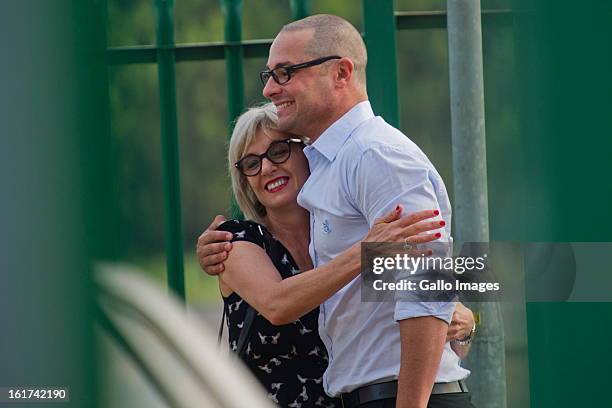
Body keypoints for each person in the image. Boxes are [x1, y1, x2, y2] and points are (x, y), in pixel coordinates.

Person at [198, 14, 476, 408]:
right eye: (250, 163)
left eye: (285, 72)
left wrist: (462, 318)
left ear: (341, 72)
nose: (271, 88)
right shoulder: (331, 167)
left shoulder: (374, 154)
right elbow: (394, 284)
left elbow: (424, 291)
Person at [210, 102, 449, 408]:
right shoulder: (234, 240)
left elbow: (419, 296)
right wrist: (368, 251)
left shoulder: (336, 238)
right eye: (251, 163)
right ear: (245, 180)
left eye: (278, 151)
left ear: (308, 154)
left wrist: (463, 317)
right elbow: (277, 303)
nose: (267, 167)